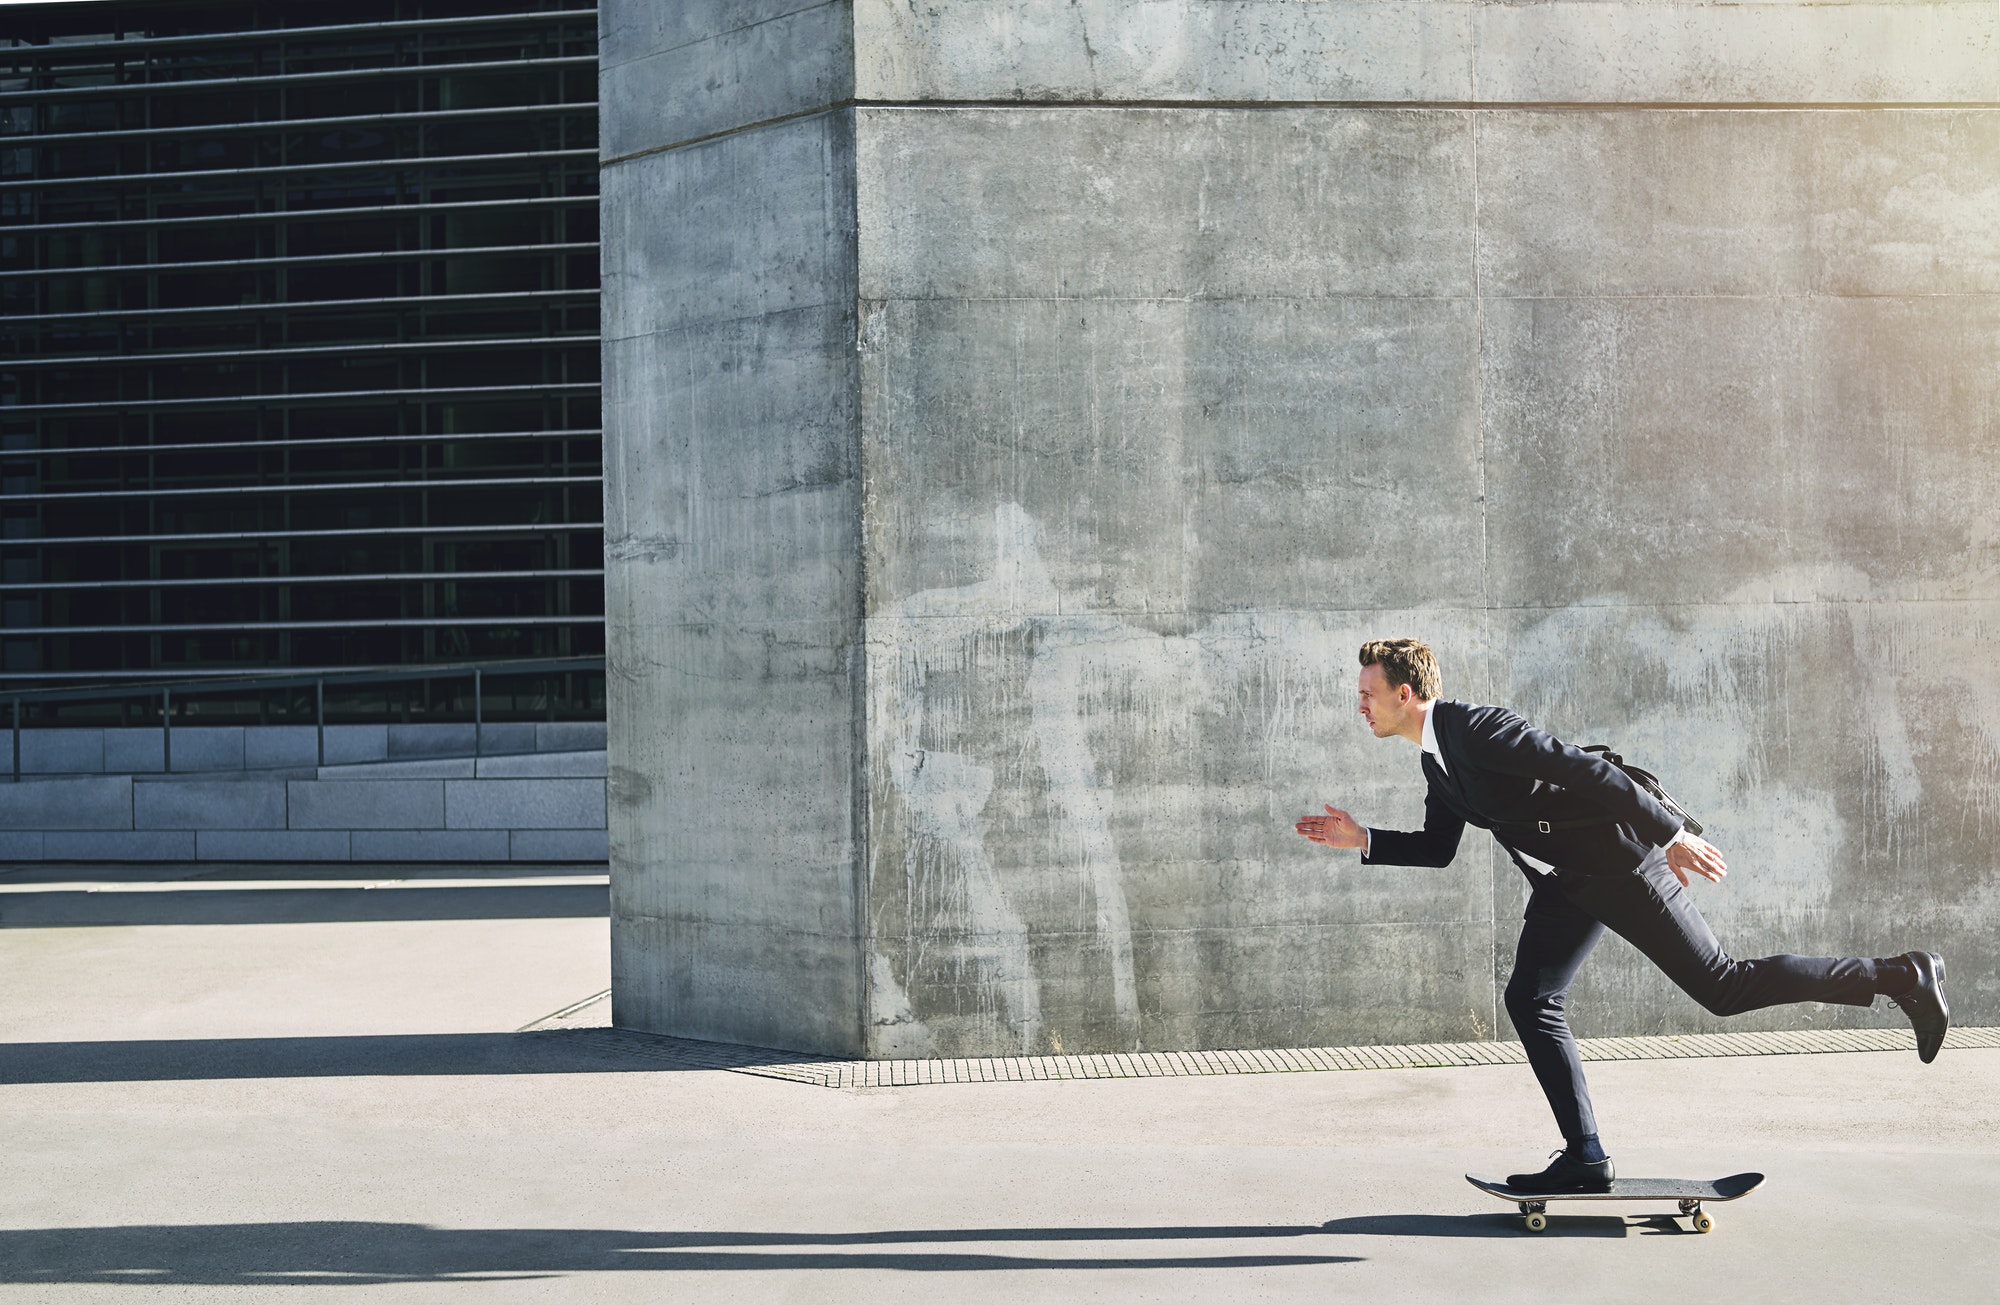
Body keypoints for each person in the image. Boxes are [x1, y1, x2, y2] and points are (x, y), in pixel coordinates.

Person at [1295, 638, 1950, 1193]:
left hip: (1618, 863)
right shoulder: (1436, 761)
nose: (1361, 704)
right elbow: (1440, 849)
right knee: (1531, 996)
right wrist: (1365, 840)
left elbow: (1583, 769)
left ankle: (1899, 976)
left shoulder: (1476, 728)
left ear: (1405, 693)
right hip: (1567, 883)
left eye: (1367, 693)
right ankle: (1585, 1156)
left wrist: (1669, 835)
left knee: (1723, 987)